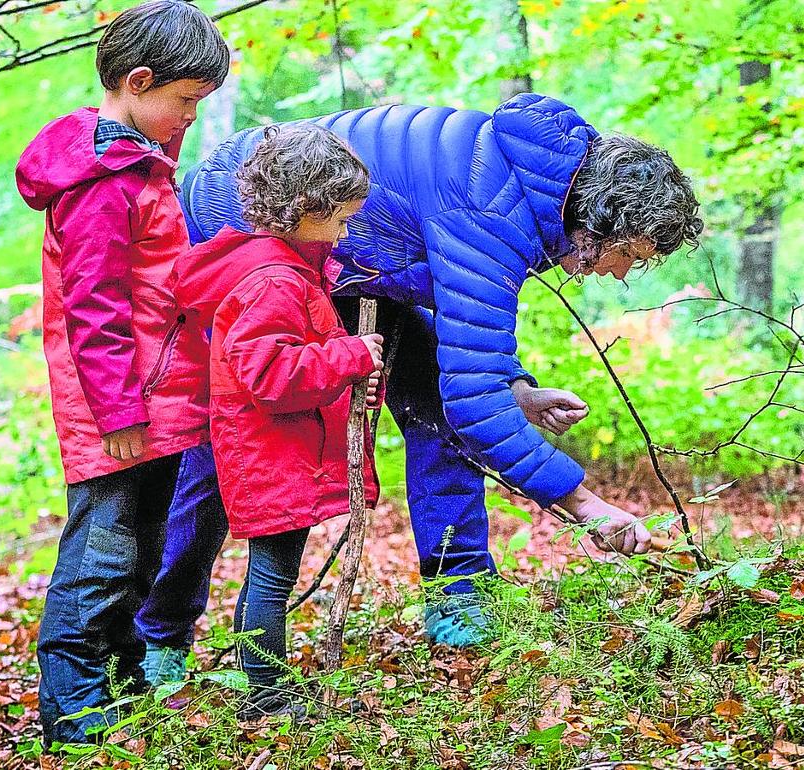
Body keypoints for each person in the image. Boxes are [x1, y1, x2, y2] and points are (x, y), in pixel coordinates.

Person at [178, 93, 704, 646]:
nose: (621, 273)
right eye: (630, 255)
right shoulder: (491, 205)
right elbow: (475, 404)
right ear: (597, 225)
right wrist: (586, 507)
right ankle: (161, 632)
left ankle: (459, 599)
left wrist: (515, 389)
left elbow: (469, 324)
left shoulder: (532, 191)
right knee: (225, 443)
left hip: (352, 262)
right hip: (244, 227)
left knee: (435, 409)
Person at [14, 0, 228, 745]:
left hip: (157, 399)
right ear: (138, 82)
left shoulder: (140, 165)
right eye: (187, 100)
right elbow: (94, 306)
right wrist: (118, 415)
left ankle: (122, 682)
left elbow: (157, 281)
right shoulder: (102, 181)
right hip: (118, 409)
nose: (191, 117)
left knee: (141, 550)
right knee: (101, 558)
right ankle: (73, 710)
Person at [167, 124, 383, 716]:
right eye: (340, 220)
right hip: (271, 455)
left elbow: (303, 361)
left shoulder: (288, 272)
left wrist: (358, 377)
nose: (345, 233)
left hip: (282, 451)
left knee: (272, 572)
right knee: (272, 575)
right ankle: (265, 694)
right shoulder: (273, 283)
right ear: (306, 210)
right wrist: (352, 355)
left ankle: (264, 684)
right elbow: (273, 377)